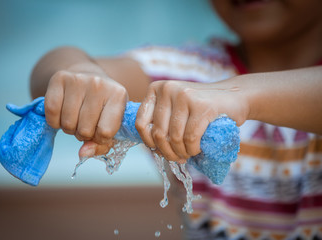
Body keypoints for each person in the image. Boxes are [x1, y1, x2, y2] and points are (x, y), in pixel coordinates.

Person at [30, 0, 322, 239]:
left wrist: (241, 95)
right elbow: (53, 71)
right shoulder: (183, 75)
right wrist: (81, 75)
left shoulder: (196, 89)